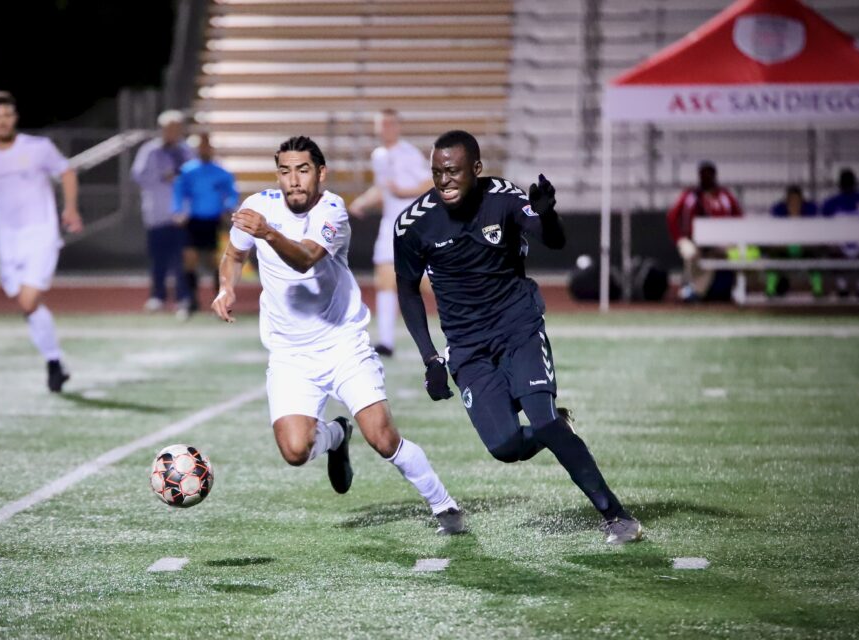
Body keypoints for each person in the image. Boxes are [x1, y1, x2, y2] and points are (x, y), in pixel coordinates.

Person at [393, 130, 641, 544]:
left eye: (453, 171)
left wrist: (547, 214)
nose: (444, 181)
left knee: (540, 417)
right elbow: (406, 289)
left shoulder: (503, 198)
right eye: (437, 172)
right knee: (505, 446)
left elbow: (554, 240)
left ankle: (616, 515)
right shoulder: (414, 224)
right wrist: (430, 358)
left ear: (476, 169)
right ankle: (558, 428)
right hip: (467, 347)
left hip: (517, 328)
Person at [212, 136, 464, 534]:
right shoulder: (258, 207)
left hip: (342, 344)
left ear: (320, 173)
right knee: (295, 451)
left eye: (303, 170)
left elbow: (306, 259)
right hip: (290, 354)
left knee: (382, 439)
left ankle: (444, 505)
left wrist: (268, 234)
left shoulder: (332, 209)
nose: (293, 180)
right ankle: (335, 434)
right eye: (285, 171)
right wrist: (226, 287)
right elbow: (234, 255)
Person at [0, 91, 82, 393]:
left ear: (15, 118)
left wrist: (70, 208)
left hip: (40, 233)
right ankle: (55, 363)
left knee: (29, 300)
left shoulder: (38, 147)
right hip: (8, 238)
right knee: (27, 305)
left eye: (7, 115)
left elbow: (66, 171)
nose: (2, 121)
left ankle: (54, 364)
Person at [348, 109, 432, 356]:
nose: (384, 129)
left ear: (397, 127)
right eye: (380, 125)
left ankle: (472, 321)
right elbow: (383, 187)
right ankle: (386, 342)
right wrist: (362, 202)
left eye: (389, 124)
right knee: (385, 278)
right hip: (390, 225)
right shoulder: (379, 155)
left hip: (413, 225)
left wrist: (404, 193)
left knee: (430, 282)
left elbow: (429, 182)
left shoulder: (408, 153)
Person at [131, 110, 196, 312]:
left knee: (181, 259)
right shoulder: (149, 150)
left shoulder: (188, 151)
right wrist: (162, 176)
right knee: (158, 259)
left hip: (181, 216)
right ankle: (157, 296)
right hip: (156, 214)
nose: (172, 132)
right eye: (168, 128)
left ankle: (183, 297)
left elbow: (195, 180)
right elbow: (138, 177)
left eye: (176, 128)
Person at [173, 133, 239, 320]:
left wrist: (229, 207)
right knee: (190, 259)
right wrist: (178, 211)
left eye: (207, 146)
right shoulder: (188, 171)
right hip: (193, 221)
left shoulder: (221, 172)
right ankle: (190, 301)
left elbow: (231, 193)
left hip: (213, 221)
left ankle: (219, 301)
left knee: (214, 262)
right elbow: (179, 193)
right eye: (201, 146)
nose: (204, 149)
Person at [666, 160, 743, 302]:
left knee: (739, 254)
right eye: (703, 174)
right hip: (694, 241)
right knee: (690, 253)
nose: (706, 178)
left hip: (721, 242)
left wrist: (733, 238)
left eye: (709, 174)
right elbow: (672, 217)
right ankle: (694, 289)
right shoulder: (690, 195)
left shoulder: (725, 196)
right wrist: (679, 238)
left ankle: (730, 288)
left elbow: (739, 217)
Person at [821, 168, 859, 297]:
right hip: (839, 245)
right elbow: (823, 227)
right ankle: (842, 288)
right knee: (831, 252)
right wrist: (832, 243)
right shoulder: (831, 202)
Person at [766, 185, 821, 297]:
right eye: (791, 200)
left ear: (802, 200)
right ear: (787, 200)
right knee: (773, 258)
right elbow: (774, 235)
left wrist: (803, 245)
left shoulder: (809, 210)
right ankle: (770, 290)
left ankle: (818, 290)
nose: (794, 203)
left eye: (797, 200)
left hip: (805, 247)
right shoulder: (779, 210)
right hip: (784, 248)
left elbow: (815, 235)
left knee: (815, 257)